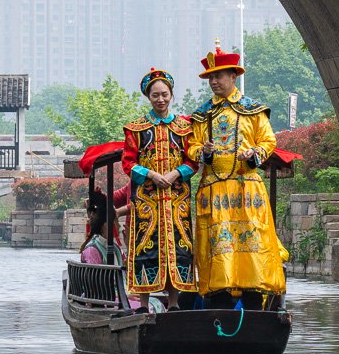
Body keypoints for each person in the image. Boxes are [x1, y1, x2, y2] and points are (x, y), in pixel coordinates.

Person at [189, 41, 287, 307]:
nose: (213, 82)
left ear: (234, 77)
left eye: (218, 76)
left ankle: (254, 302)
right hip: (214, 190)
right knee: (219, 247)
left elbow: (268, 141)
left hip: (247, 189)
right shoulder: (201, 115)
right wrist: (204, 152)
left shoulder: (253, 110)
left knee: (251, 245)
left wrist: (253, 153)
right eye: (210, 77)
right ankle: (218, 303)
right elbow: (192, 147)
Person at [122, 68, 198, 307]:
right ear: (148, 97)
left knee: (179, 247)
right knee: (146, 248)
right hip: (147, 202)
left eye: (164, 94)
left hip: (177, 199)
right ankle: (143, 305)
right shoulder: (136, 129)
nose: (161, 99)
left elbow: (193, 161)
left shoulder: (185, 128)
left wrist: (176, 173)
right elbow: (128, 163)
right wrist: (152, 175)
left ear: (171, 95)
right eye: (155, 95)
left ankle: (174, 304)